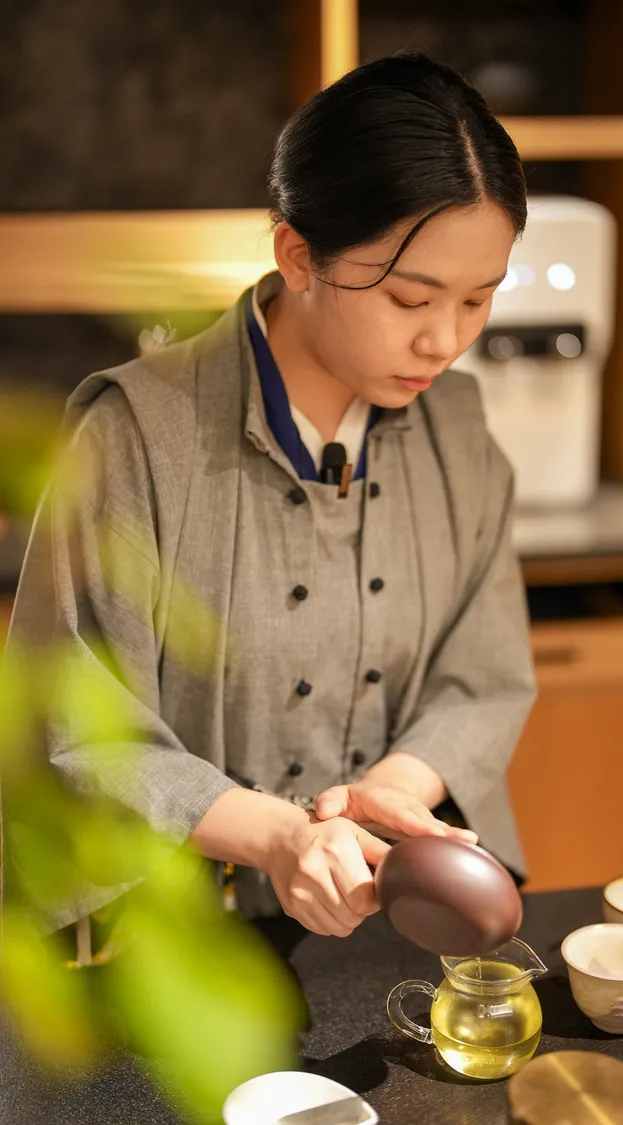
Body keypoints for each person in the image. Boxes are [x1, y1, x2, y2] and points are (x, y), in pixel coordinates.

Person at [6, 50, 536, 943]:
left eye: (478, 300)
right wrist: (281, 835)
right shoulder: (134, 436)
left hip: (385, 908)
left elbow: (482, 676)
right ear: (299, 255)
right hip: (168, 939)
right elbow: (80, 727)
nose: (445, 340)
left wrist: (395, 797)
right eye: (411, 298)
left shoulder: (459, 431)